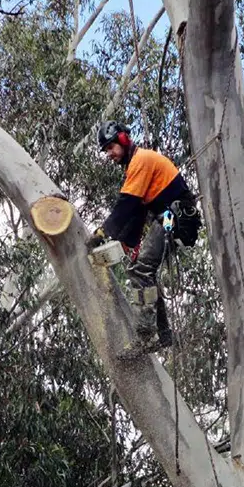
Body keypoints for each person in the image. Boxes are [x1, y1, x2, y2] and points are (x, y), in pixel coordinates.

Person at [86, 120, 201, 352]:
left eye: (111, 147)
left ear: (123, 140)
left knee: (140, 270)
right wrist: (130, 244)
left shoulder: (141, 161)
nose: (109, 154)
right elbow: (137, 213)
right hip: (170, 216)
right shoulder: (136, 165)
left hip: (174, 216)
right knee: (144, 272)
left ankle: (145, 335)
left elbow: (126, 205)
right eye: (106, 150)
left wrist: (102, 232)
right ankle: (164, 334)